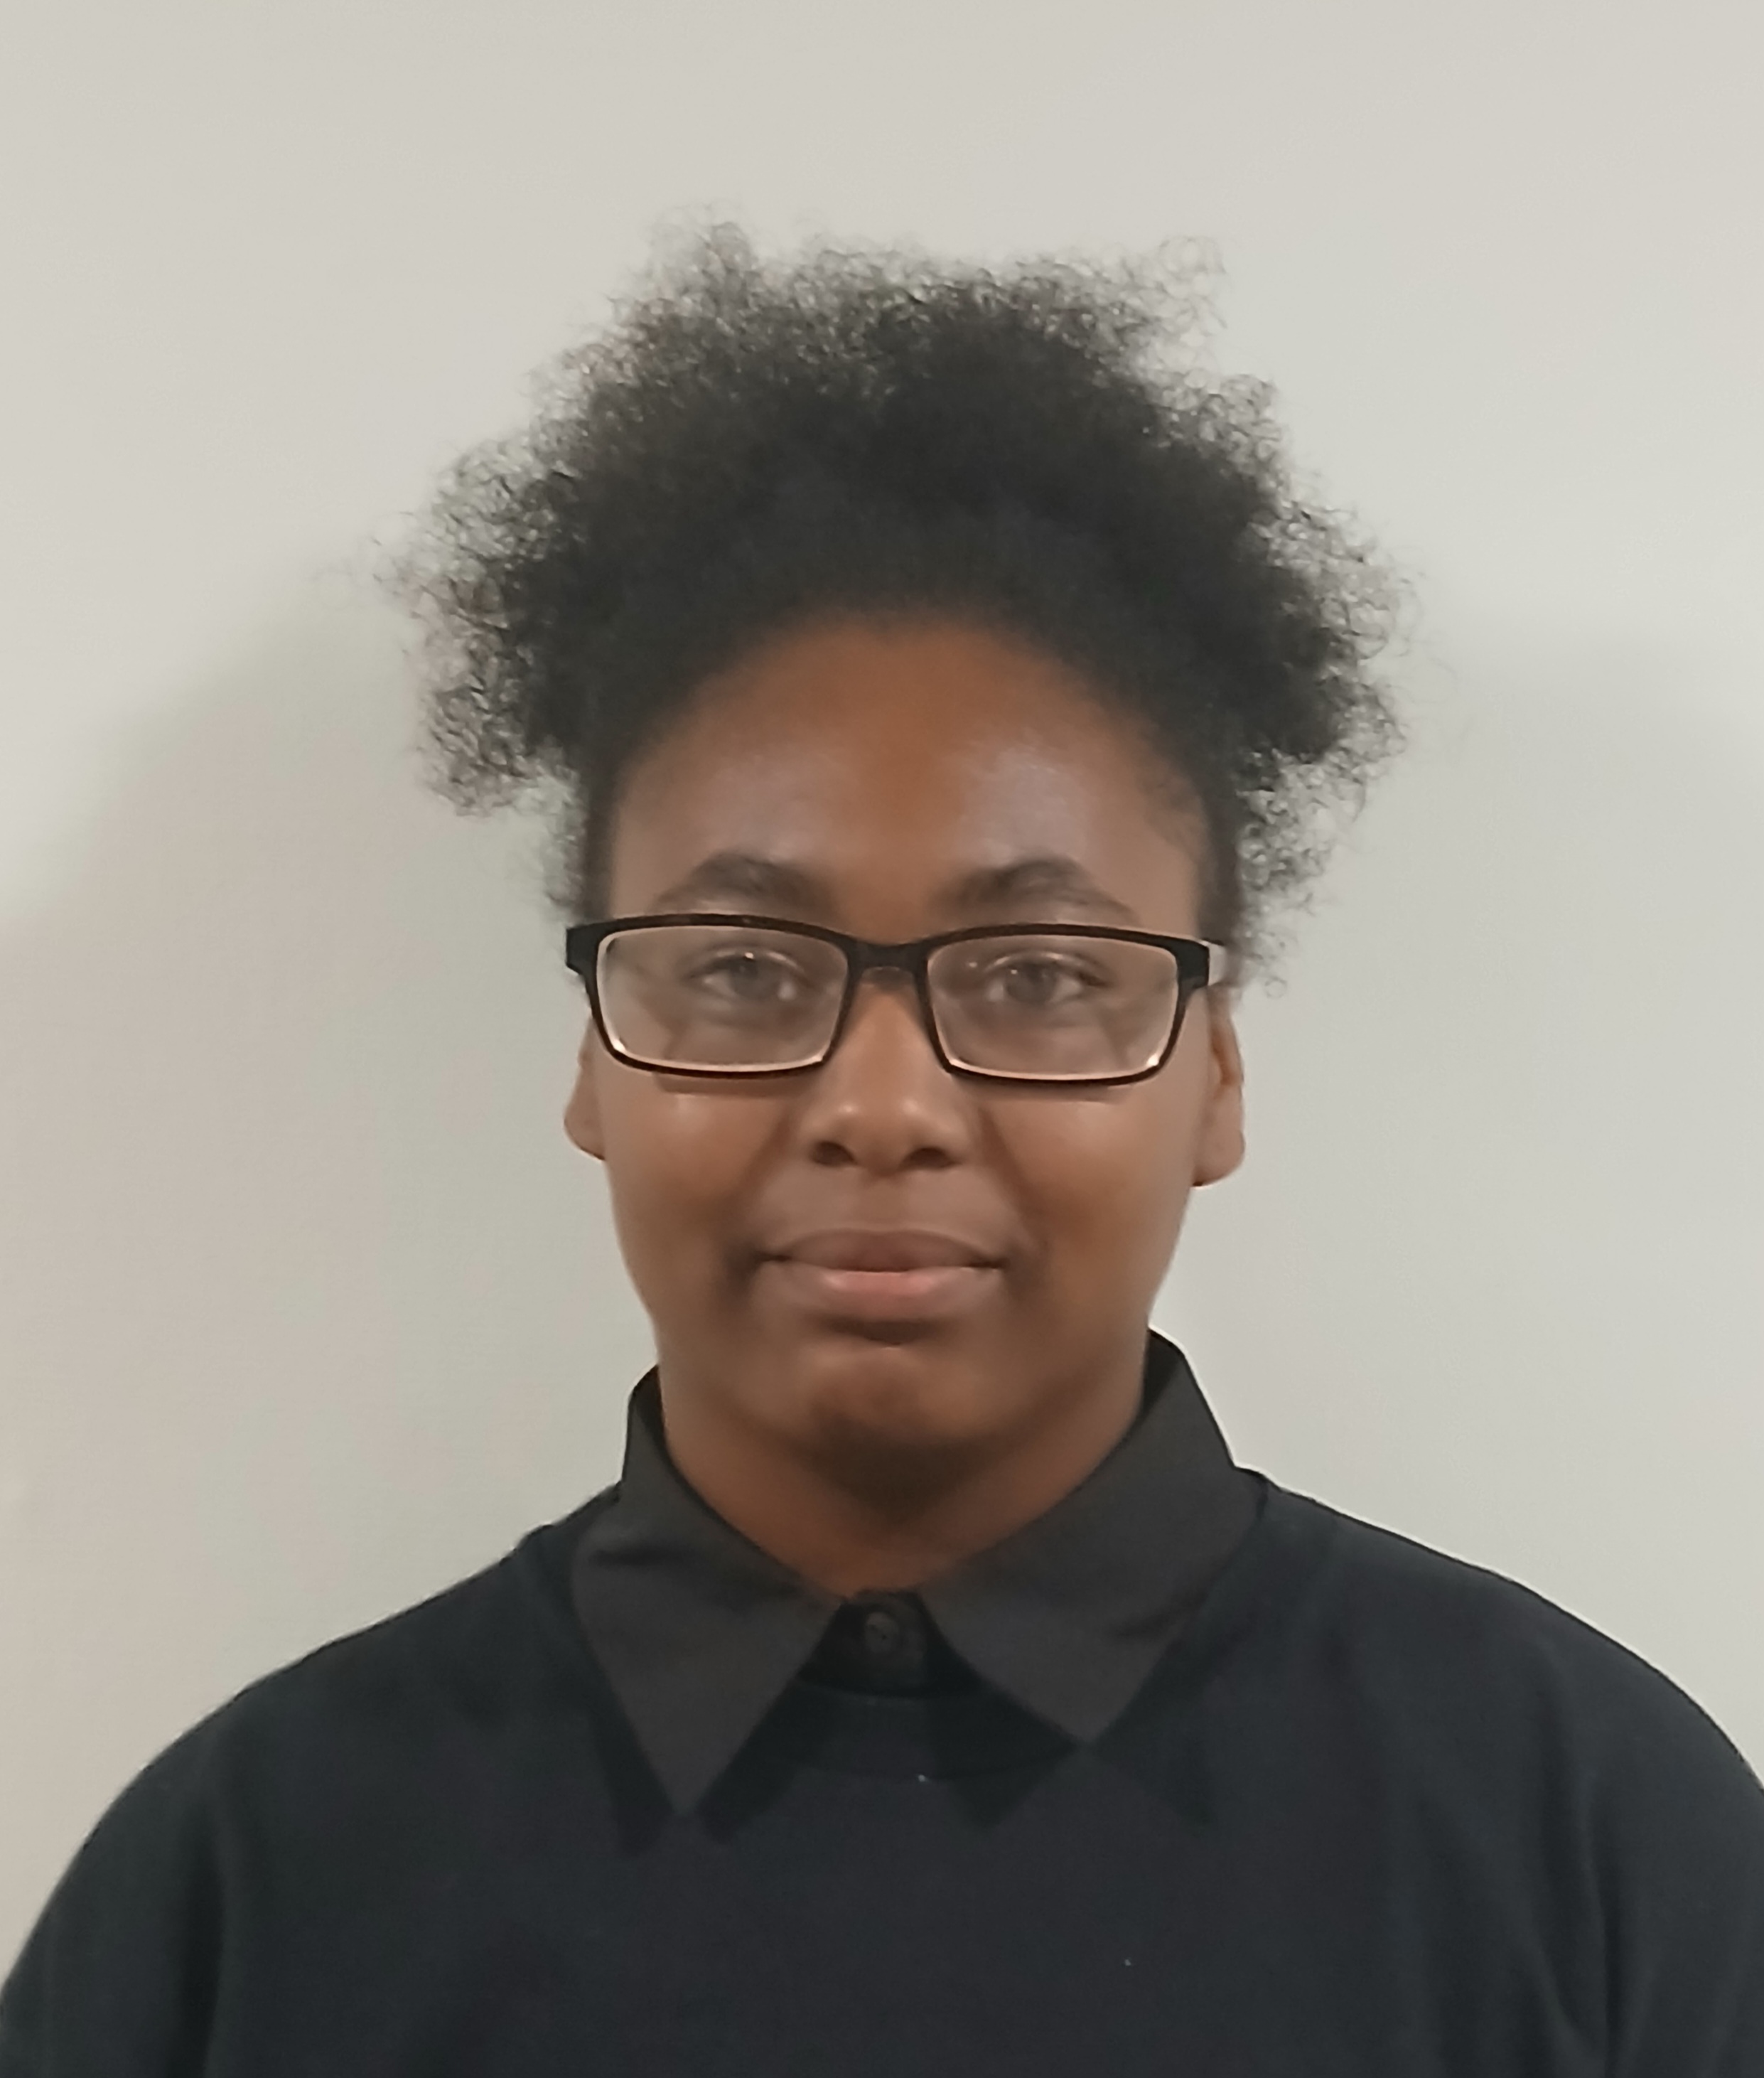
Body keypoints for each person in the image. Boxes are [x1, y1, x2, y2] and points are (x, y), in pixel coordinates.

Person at [3, 226, 1760, 2076]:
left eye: (1039, 971)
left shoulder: (1592, 1838)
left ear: (1216, 1071)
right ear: (595, 1061)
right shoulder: (259, 1876)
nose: (884, 1101)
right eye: (746, 966)